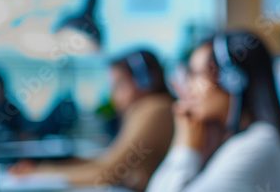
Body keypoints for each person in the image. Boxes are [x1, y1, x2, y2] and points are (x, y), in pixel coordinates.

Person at [147, 31, 280, 192]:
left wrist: (184, 147)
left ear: (233, 80)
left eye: (197, 75)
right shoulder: (241, 141)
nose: (189, 87)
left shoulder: (258, 145)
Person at [10, 50, 175, 190]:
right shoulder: (148, 109)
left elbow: (106, 173)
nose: (113, 96)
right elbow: (106, 163)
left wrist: (38, 174)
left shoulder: (156, 109)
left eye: (119, 85)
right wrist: (43, 168)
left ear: (144, 81)